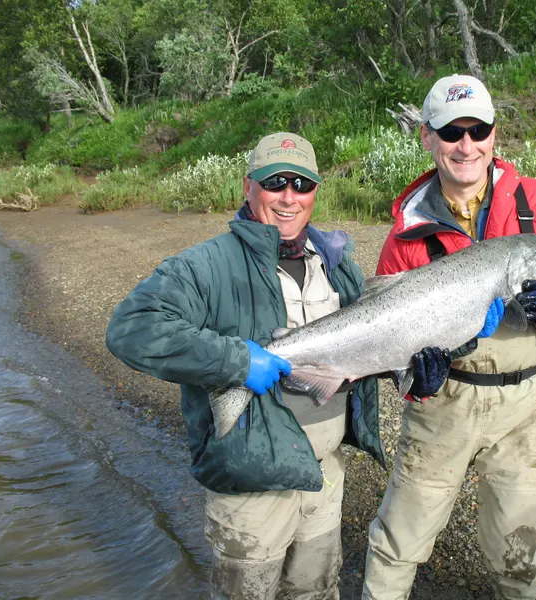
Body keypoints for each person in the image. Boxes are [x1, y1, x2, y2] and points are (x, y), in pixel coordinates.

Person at [362, 75, 536, 599]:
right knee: (396, 543)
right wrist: (416, 385)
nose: (466, 144)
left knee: (518, 555)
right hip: (444, 405)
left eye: (478, 129)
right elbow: (385, 342)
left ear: (495, 134)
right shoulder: (405, 234)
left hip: (528, 404)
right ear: (428, 137)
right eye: (452, 131)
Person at [105, 132, 386, 599]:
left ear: (316, 190)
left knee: (316, 592)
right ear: (247, 186)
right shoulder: (205, 266)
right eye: (275, 182)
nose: (289, 197)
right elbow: (131, 329)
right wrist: (236, 360)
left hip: (323, 477)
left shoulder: (338, 264)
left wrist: (417, 360)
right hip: (250, 488)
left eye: (302, 184)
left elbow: (364, 348)